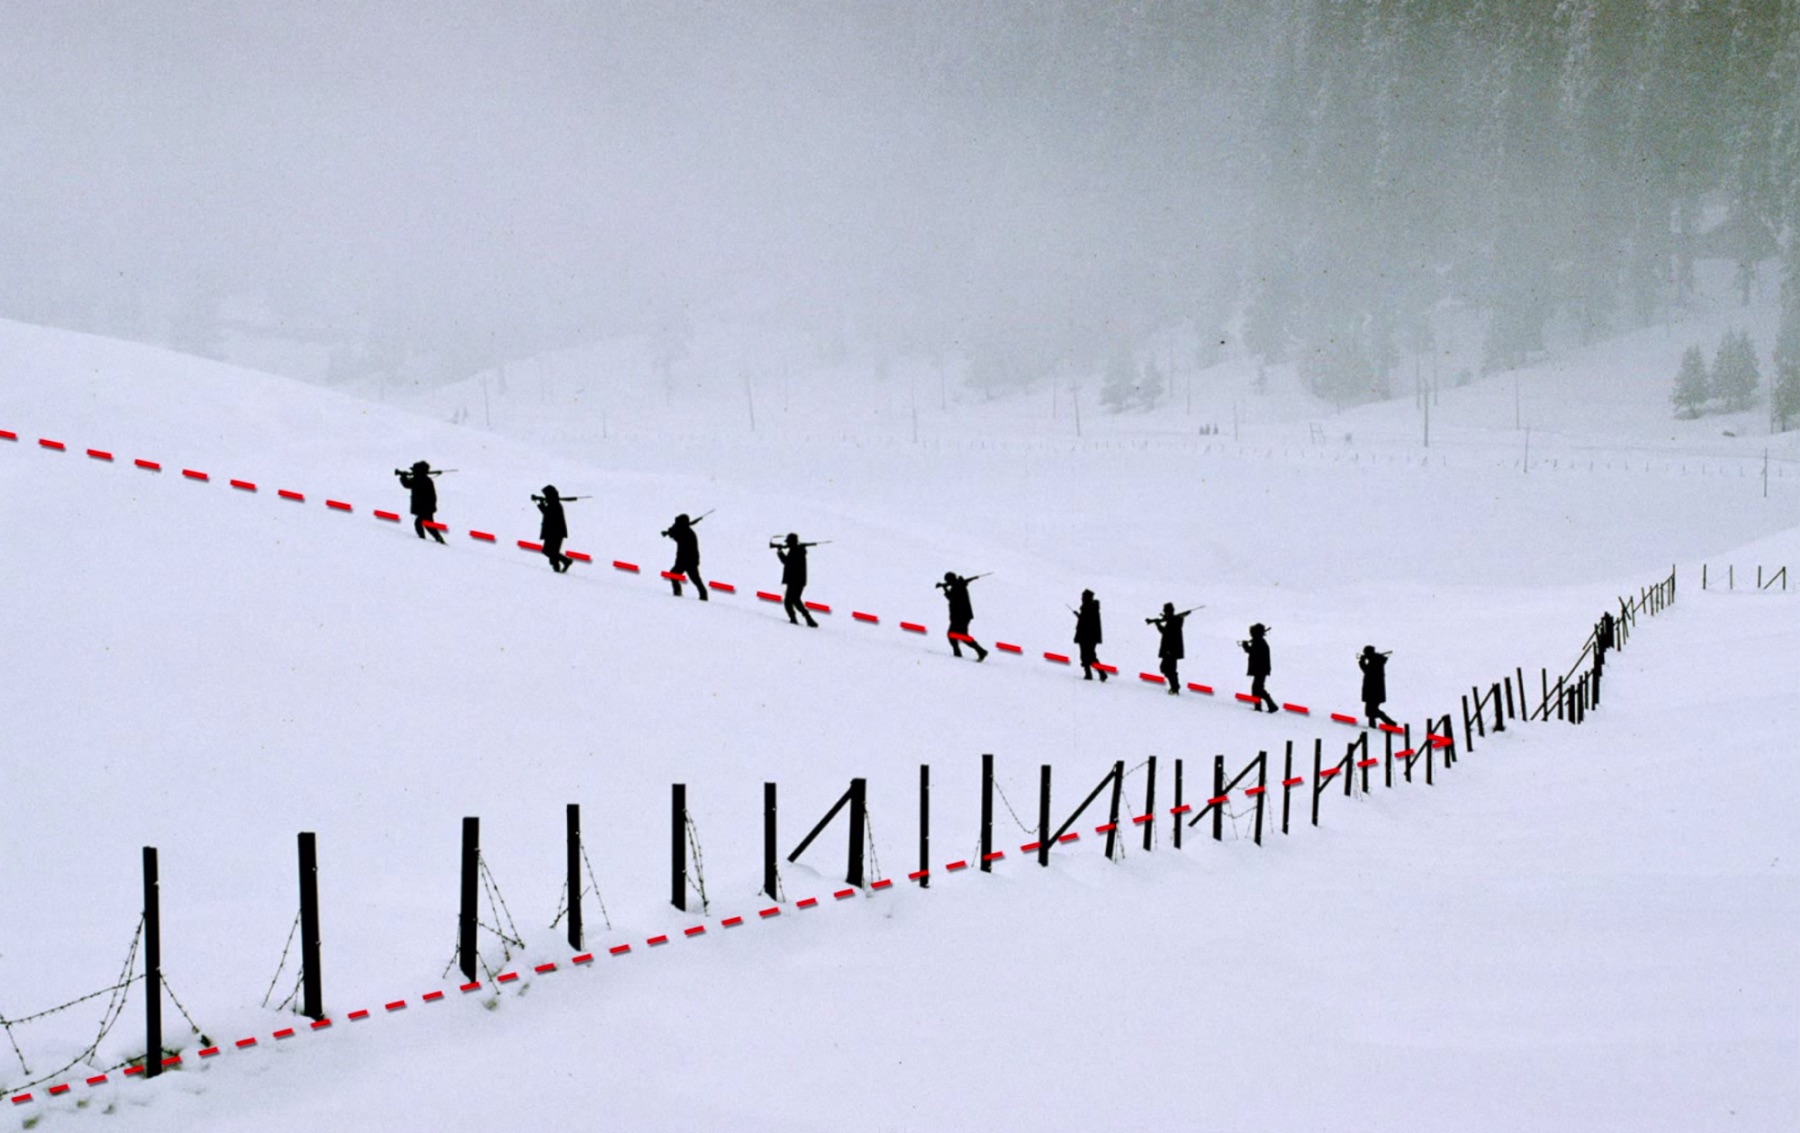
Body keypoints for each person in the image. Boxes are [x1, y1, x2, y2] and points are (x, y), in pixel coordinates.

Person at [935, 572, 989, 661]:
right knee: (958, 635)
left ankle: (975, 652)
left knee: (955, 634)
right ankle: (976, 651)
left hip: (961, 616)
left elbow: (952, 598)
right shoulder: (958, 585)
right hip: (961, 615)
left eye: (948, 580)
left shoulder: (958, 586)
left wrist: (945, 588)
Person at [1145, 603, 1192, 694]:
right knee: (1166, 668)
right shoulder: (1174, 620)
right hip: (1170, 650)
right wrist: (1158, 623)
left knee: (1169, 669)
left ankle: (1175, 688)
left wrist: (1158, 624)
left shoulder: (1175, 621)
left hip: (1171, 650)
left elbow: (1167, 633)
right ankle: (1175, 687)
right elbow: (1166, 632)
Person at [773, 533, 818, 627]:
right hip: (799, 580)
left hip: (794, 580)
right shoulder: (798, 550)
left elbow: (787, 562)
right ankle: (808, 619)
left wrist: (780, 552)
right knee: (795, 600)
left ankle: (794, 619)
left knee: (789, 601)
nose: (787, 544)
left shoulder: (795, 551)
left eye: (788, 542)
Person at [395, 460, 444, 543]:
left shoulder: (420, 480)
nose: (413, 471)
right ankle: (438, 539)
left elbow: (407, 484)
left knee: (419, 523)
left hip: (425, 507)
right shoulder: (424, 479)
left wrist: (403, 476)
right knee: (428, 525)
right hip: (427, 507)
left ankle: (422, 541)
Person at [661, 513, 708, 599]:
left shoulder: (686, 533)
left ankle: (701, 595)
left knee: (694, 579)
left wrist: (670, 531)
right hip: (686, 560)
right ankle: (701, 595)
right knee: (691, 579)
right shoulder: (686, 531)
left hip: (688, 561)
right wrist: (671, 531)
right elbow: (675, 533)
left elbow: (676, 535)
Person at [534, 486, 573, 572]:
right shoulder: (554, 503)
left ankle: (565, 561)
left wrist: (540, 504)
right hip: (553, 532)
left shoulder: (555, 504)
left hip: (555, 532)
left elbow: (548, 513)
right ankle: (557, 567)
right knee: (550, 551)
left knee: (549, 551)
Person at [1241, 623, 1278, 712]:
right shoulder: (1259, 641)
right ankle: (1259, 706)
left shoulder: (1259, 642)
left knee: (1258, 689)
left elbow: (1253, 653)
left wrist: (1246, 646)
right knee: (1257, 688)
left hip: (1260, 670)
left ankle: (1270, 706)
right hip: (1262, 669)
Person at [1359, 645, 1397, 727]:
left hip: (1373, 691)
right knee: (1370, 711)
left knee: (1371, 711)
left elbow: (1367, 671)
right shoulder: (1376, 660)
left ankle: (1390, 722)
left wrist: (1362, 662)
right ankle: (1373, 726)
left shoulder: (1375, 662)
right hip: (1373, 691)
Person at [1073, 589, 1105, 681]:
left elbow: (1087, 623)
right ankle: (1094, 673)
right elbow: (1086, 621)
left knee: (1088, 656)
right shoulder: (1090, 608)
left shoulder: (1089, 608)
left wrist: (1080, 616)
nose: (1081, 598)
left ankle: (1095, 674)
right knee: (1088, 656)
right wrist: (1079, 616)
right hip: (1089, 636)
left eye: (1083, 597)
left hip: (1087, 636)